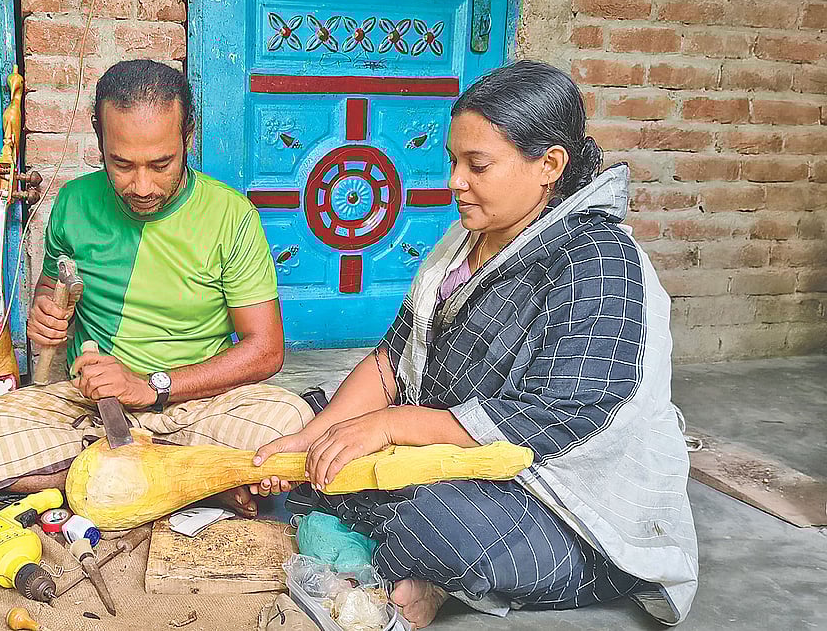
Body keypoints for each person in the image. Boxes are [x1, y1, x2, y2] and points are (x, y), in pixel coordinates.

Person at [253, 60, 698, 627]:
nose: (454, 182)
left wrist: (388, 427)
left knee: (431, 521)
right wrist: (308, 439)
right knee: (313, 438)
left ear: (549, 166)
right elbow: (392, 360)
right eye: (453, 161)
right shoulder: (467, 241)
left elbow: (560, 422)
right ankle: (419, 571)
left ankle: (440, 573)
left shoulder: (600, 262)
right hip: (449, 450)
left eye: (477, 165)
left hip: (555, 495)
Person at [0, 59, 313, 515]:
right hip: (90, 408)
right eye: (122, 164)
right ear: (99, 139)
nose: (142, 185)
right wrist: (47, 315)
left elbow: (267, 350)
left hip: (194, 405)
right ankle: (190, 479)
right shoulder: (74, 202)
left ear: (187, 135)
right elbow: (52, 287)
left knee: (288, 419)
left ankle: (99, 476)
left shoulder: (231, 217)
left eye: (161, 163)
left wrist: (152, 386)